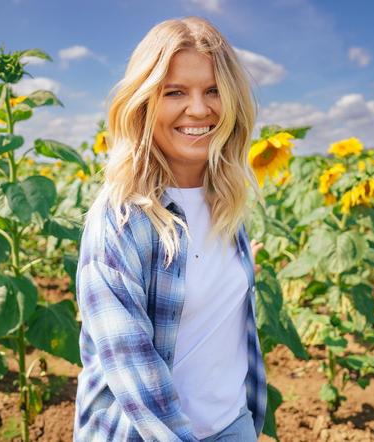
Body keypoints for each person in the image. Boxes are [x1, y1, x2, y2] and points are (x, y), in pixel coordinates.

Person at [74, 16, 267, 441]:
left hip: (232, 425)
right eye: (175, 91)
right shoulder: (121, 219)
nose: (199, 109)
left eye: (213, 90)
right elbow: (131, 367)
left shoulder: (226, 202)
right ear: (143, 102)